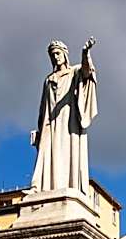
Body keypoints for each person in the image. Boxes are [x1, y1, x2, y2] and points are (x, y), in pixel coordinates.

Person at [30, 37, 98, 193]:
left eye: (58, 53)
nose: (55, 57)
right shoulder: (48, 80)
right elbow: (43, 107)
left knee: (68, 153)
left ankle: (68, 186)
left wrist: (85, 53)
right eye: (52, 55)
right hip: (49, 124)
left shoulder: (74, 72)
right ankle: (40, 187)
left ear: (65, 54)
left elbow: (87, 72)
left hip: (68, 121)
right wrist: (39, 131)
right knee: (46, 153)